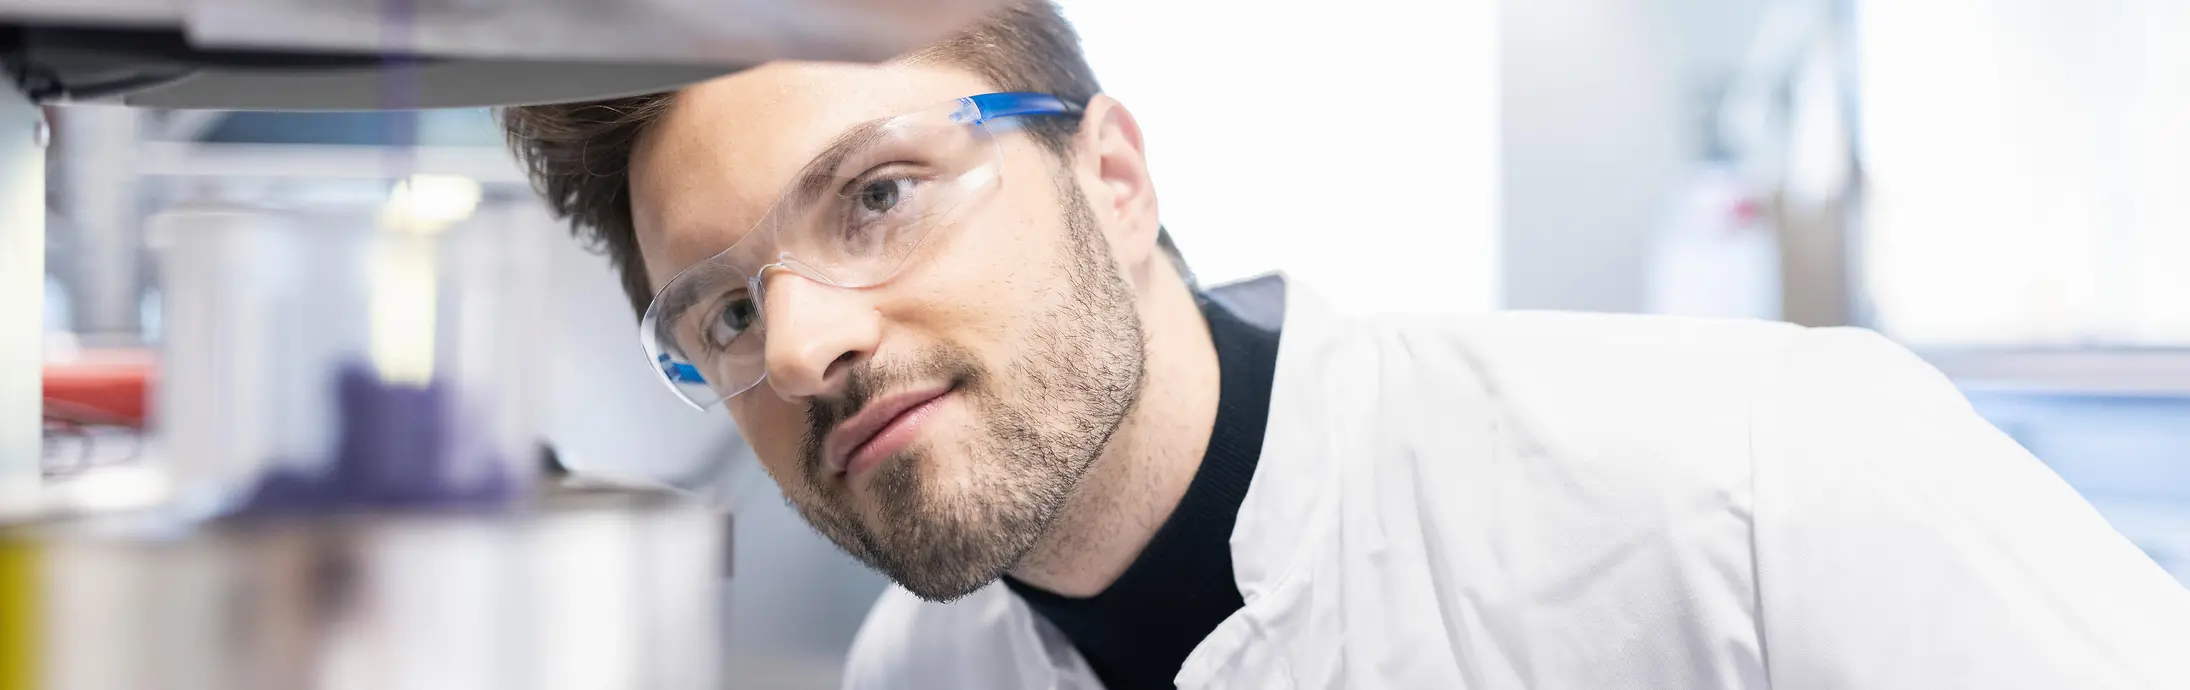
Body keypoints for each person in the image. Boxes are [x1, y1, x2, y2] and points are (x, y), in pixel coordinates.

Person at [501, 2, 2190, 687]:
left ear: (1109, 172)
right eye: (721, 308)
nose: (796, 345)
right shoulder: (914, 671)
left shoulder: (1766, 484)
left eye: (874, 197)